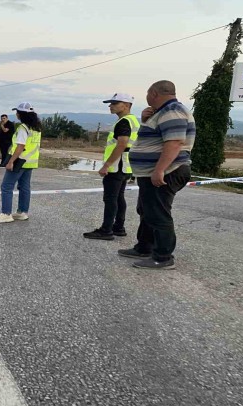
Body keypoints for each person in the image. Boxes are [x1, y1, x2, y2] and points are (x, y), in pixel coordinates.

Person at [118, 80, 195, 270]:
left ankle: (163, 257)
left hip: (167, 171)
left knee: (158, 214)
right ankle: (144, 247)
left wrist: (159, 169)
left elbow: (174, 142)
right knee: (147, 210)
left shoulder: (172, 111)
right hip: (154, 171)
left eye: (147, 93)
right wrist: (145, 120)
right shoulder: (162, 112)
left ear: (153, 93)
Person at [83, 93, 140, 240]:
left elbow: (122, 144)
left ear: (126, 105)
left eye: (115, 103)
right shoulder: (133, 120)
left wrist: (106, 165)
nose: (111, 106)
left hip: (117, 166)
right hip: (126, 166)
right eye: (111, 103)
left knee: (110, 198)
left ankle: (106, 230)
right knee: (119, 197)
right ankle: (118, 227)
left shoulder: (124, 122)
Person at [0, 103, 42, 223]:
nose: (16, 114)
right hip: (30, 162)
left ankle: (6, 213)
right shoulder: (36, 128)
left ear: (21, 114)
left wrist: (11, 161)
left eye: (17, 112)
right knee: (24, 187)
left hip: (19, 161)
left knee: (6, 186)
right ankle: (22, 212)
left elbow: (20, 146)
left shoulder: (23, 128)